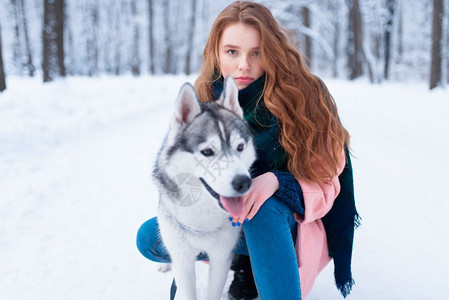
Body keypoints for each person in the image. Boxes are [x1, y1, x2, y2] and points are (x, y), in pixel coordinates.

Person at [137, 1, 360, 299]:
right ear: (216, 52)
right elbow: (185, 170)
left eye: (257, 53)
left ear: (273, 51)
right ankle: (245, 262)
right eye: (232, 52)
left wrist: (279, 182)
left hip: (284, 224)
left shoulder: (306, 96)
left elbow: (328, 184)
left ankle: (265, 271)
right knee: (151, 237)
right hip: (228, 220)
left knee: (261, 207)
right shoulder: (206, 95)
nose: (244, 64)